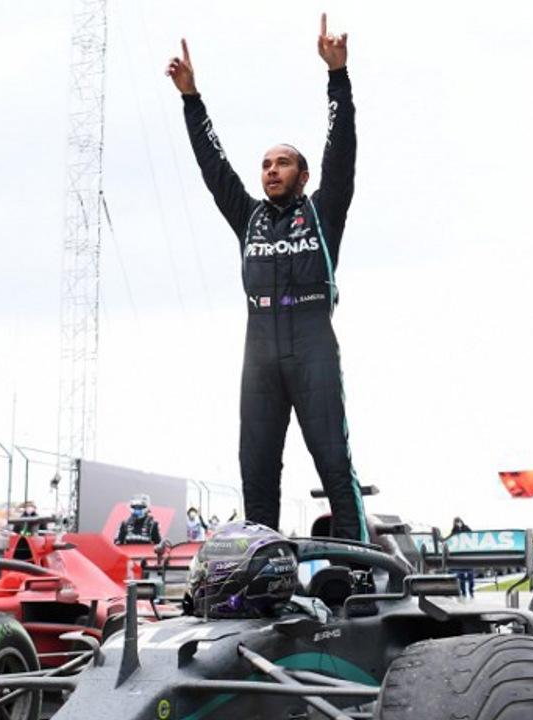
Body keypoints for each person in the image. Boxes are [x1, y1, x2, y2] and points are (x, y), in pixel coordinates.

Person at [168, 16, 367, 541]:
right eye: (265, 164)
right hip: (258, 355)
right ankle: (262, 577)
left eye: (283, 164)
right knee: (256, 474)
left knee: (334, 465)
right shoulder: (248, 216)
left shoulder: (323, 212)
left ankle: (360, 577)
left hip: (313, 348)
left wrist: (338, 77)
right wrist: (192, 99)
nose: (272, 170)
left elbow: (341, 153)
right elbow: (213, 168)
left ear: (303, 176)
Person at [446, 517, 475, 599]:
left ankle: (471, 591)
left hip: (467, 555)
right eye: (456, 522)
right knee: (461, 575)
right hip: (460, 555)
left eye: (459, 521)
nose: (458, 523)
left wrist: (462, 528)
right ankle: (463, 592)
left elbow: (471, 535)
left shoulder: (466, 528)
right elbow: (450, 538)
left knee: (470, 575)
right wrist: (457, 529)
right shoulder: (454, 530)